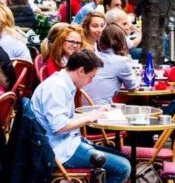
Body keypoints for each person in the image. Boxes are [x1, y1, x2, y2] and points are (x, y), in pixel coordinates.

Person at [31, 50, 131, 183]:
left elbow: (64, 119)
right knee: (122, 167)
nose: (90, 82)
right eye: (91, 76)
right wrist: (89, 117)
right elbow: (59, 126)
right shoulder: (56, 88)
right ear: (81, 71)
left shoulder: (63, 83)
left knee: (123, 159)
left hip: (68, 143)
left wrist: (93, 113)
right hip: (60, 151)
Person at [82, 24, 137, 105]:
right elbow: (132, 87)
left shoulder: (92, 56)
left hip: (80, 107)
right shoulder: (121, 61)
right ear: (122, 41)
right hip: (100, 110)